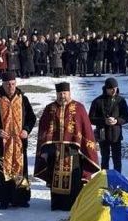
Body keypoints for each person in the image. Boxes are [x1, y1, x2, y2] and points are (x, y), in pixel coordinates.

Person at [35, 82, 100, 210]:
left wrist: (81, 146)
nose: (62, 96)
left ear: (69, 93)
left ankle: (73, 204)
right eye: (59, 93)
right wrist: (46, 146)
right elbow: (43, 128)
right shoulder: (50, 108)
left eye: (64, 93)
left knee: (74, 179)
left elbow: (86, 129)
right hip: (55, 151)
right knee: (55, 178)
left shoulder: (79, 107)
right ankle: (57, 204)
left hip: (73, 151)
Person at [0, 71, 37, 210]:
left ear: (16, 84)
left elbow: (32, 118)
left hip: (19, 143)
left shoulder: (23, 99)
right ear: (3, 84)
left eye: (12, 84)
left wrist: (26, 130)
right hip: (2, 144)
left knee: (20, 169)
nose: (10, 86)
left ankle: (21, 198)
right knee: (3, 170)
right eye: (7, 84)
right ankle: (4, 199)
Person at [89, 77, 128, 172]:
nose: (113, 91)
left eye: (115, 88)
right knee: (105, 159)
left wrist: (117, 121)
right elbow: (91, 118)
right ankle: (105, 180)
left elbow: (127, 117)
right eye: (111, 89)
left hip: (116, 134)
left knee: (117, 160)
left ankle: (117, 180)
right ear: (106, 88)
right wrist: (104, 121)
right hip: (103, 134)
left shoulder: (121, 101)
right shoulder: (97, 101)